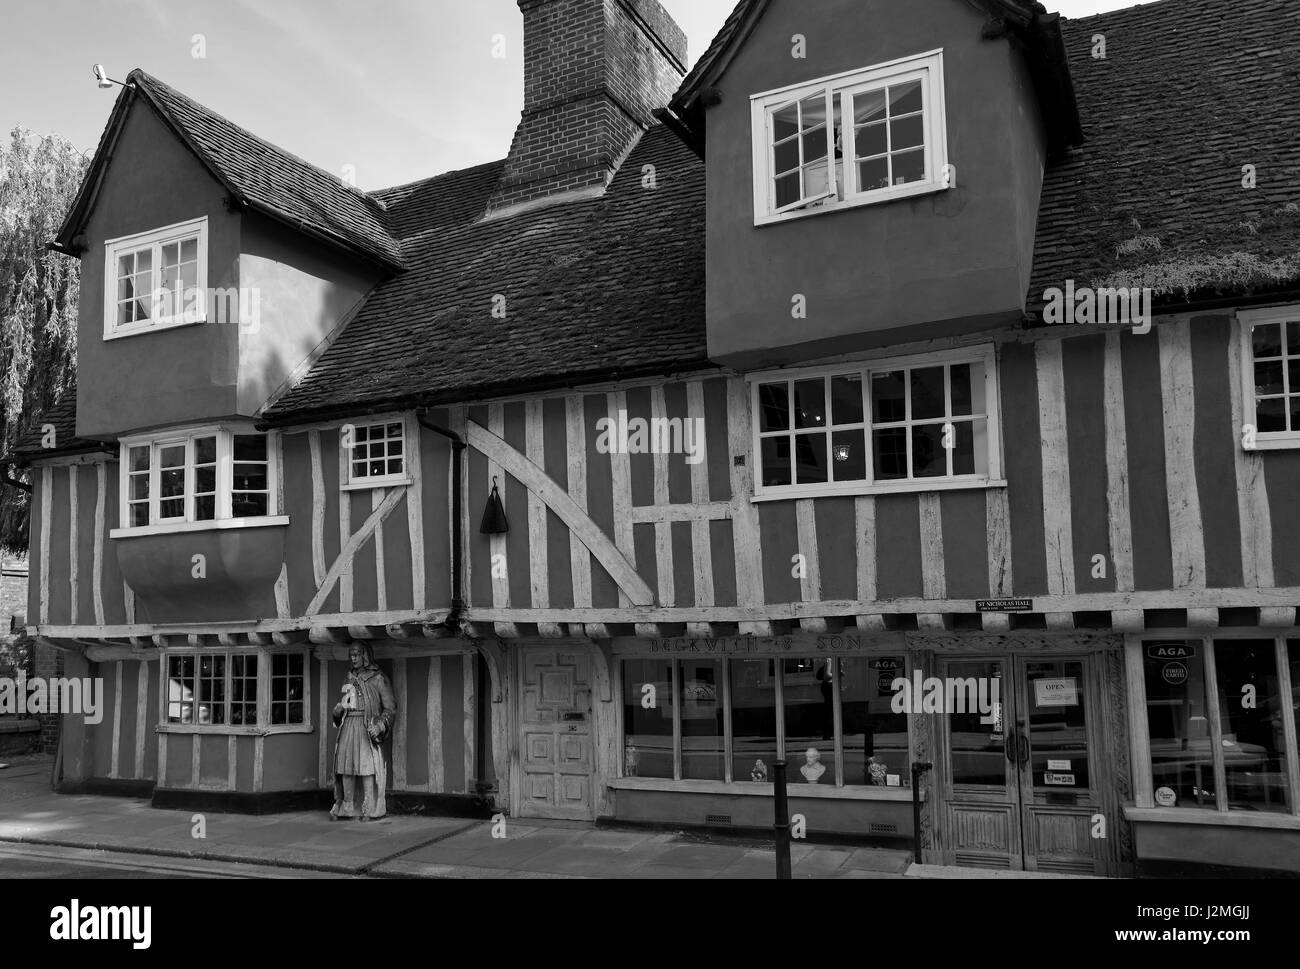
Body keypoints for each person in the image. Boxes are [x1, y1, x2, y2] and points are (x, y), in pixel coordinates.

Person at [330, 641, 397, 822]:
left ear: (365, 655)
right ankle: (348, 805)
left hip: (366, 726)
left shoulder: (378, 677)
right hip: (348, 725)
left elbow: (390, 708)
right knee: (346, 766)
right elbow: (345, 704)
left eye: (357, 654)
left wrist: (380, 725)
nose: (353, 658)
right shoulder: (348, 677)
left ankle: (369, 805)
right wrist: (338, 713)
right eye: (351, 655)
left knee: (366, 767)